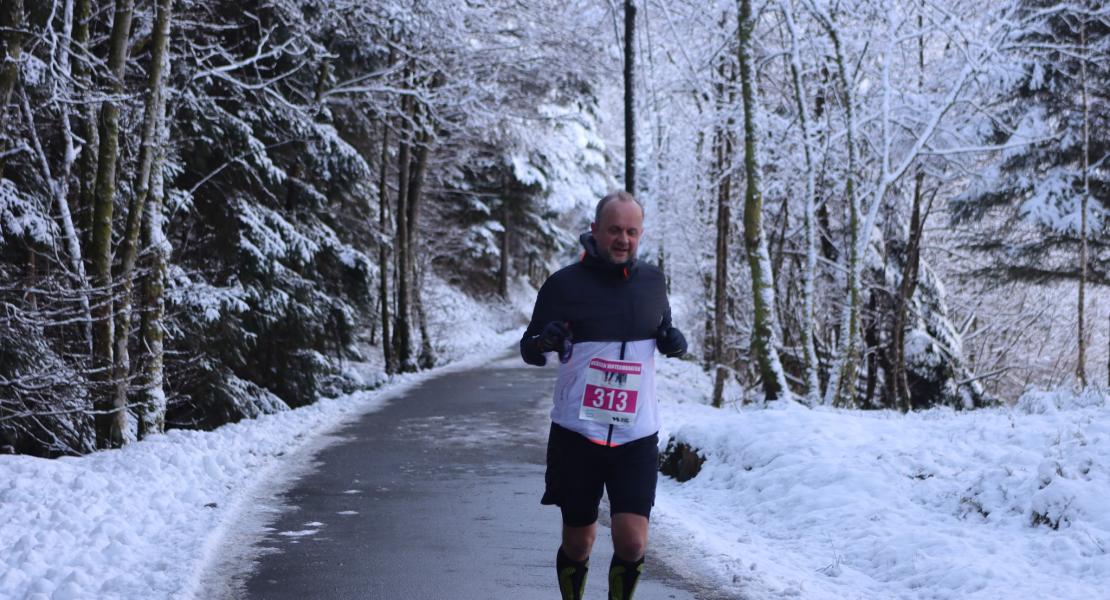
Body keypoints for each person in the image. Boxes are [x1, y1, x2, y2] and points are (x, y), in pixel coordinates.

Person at [520, 190, 687, 600]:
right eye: (614, 230)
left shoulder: (653, 281)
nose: (623, 239)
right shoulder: (563, 285)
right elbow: (529, 347)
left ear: (641, 234)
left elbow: (664, 329)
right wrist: (546, 340)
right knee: (579, 542)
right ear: (595, 231)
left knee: (632, 542)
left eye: (632, 231)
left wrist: (673, 342)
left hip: (636, 436)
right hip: (578, 435)